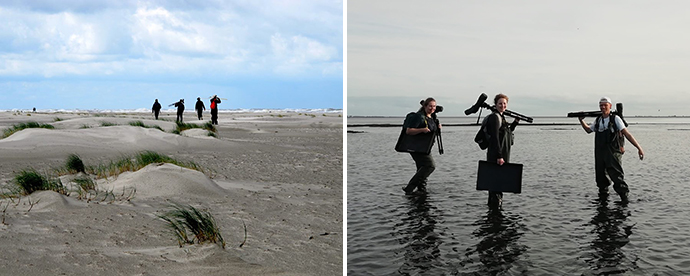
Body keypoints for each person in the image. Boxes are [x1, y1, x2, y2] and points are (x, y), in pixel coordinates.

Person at [578, 97, 644, 202]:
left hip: (613, 152)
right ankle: (603, 199)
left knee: (616, 176)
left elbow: (627, 134)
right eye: (601, 105)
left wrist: (639, 148)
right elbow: (588, 130)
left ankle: (624, 199)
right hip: (600, 153)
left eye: (605, 105)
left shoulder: (615, 119)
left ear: (610, 106)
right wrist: (581, 120)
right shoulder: (598, 120)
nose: (603, 107)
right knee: (600, 177)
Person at [485, 94, 520, 208]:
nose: (503, 105)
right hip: (496, 155)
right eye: (500, 103)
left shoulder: (501, 117)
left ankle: (495, 212)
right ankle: (494, 212)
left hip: (503, 154)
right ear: (495, 105)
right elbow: (495, 137)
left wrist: (515, 123)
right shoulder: (495, 117)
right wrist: (499, 156)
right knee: (496, 184)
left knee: (499, 185)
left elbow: (506, 133)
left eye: (504, 103)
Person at [401, 98, 441, 195]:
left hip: (425, 147)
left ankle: (421, 190)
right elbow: (409, 131)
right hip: (417, 148)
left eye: (434, 106)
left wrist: (438, 128)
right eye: (430, 106)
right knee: (430, 166)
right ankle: (410, 188)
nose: (432, 108)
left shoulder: (431, 118)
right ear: (425, 106)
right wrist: (422, 130)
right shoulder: (419, 117)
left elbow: (432, 133)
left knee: (422, 167)